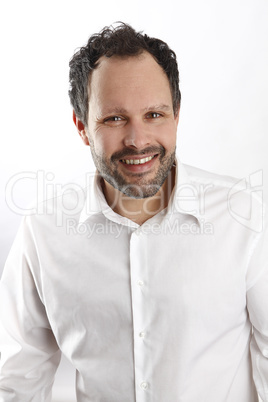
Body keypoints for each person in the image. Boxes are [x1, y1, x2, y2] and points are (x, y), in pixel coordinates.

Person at [0, 23, 267, 402]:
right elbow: (16, 379)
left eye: (154, 115)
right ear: (82, 127)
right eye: (114, 118)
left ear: (177, 114)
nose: (138, 140)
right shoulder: (44, 233)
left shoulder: (245, 215)